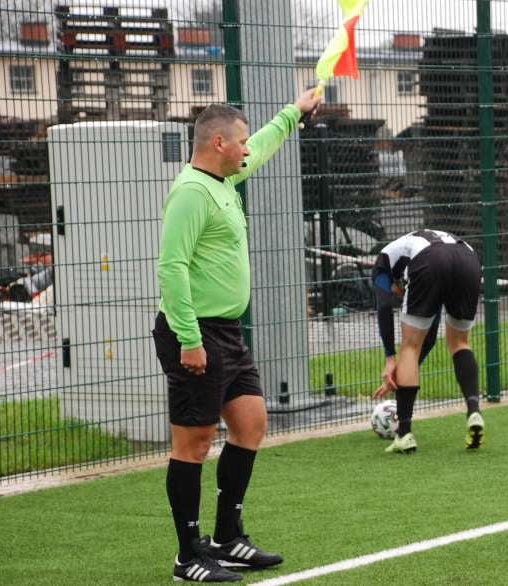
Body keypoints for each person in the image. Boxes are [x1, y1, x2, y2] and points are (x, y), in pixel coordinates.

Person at [152, 90, 321, 582]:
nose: (247, 149)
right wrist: (188, 337)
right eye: (240, 142)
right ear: (219, 141)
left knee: (249, 425)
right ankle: (188, 555)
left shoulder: (224, 179)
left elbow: (264, 145)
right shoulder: (191, 192)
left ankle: (227, 540)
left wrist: (294, 111)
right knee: (194, 443)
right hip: (194, 332)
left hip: (227, 331)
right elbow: (172, 268)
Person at [372, 229, 484, 453]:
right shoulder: (408, 247)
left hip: (430, 260)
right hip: (468, 258)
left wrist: (391, 359)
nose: (399, 293)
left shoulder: (382, 263)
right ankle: (474, 411)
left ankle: (404, 434)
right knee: (460, 343)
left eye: (398, 291)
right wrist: (401, 375)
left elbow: (383, 306)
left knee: (409, 346)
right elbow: (429, 337)